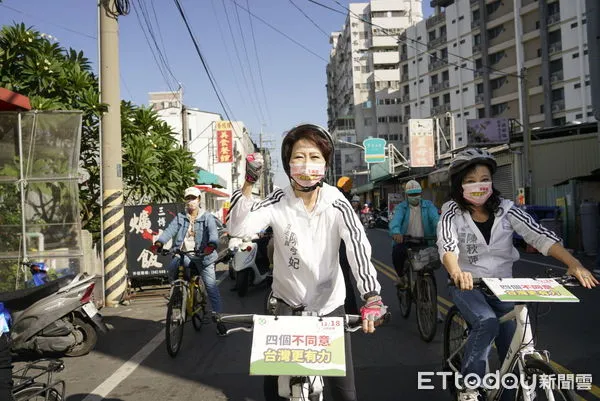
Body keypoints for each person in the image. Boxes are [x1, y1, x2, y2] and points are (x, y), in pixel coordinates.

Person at [227, 124, 387, 401]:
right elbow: (239, 228)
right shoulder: (277, 200)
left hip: (329, 306)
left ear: (325, 164)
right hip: (286, 303)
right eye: (298, 157)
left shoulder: (337, 202)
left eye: (315, 157)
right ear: (288, 163)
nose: (306, 164)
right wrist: (249, 183)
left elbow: (358, 248)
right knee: (274, 392)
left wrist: (371, 296)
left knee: (345, 394)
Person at [437, 148, 598, 401]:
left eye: (483, 178)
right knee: (485, 321)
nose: (478, 185)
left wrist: (573, 263)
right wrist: (457, 271)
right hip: (468, 285)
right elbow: (447, 245)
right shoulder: (451, 211)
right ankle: (469, 386)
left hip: (504, 286)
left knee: (515, 349)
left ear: (491, 180)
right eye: (470, 181)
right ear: (459, 186)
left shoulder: (507, 209)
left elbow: (540, 235)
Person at [151, 186, 223, 315]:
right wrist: (159, 242)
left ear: (199, 199)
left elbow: (213, 233)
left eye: (193, 198)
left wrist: (211, 245)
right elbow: (169, 230)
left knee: (211, 288)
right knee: (172, 268)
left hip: (204, 257)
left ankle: (218, 318)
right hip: (184, 255)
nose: (191, 201)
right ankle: (178, 296)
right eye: (188, 198)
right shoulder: (180, 217)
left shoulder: (207, 217)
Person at [388, 179, 440, 289]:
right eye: (411, 194)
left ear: (420, 194)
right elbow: (395, 221)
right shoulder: (401, 207)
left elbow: (436, 219)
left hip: (426, 240)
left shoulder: (428, 205)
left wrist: (441, 230)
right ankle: (401, 277)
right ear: (407, 195)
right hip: (406, 241)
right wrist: (396, 233)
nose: (414, 196)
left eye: (416, 194)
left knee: (430, 266)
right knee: (397, 253)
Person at [335, 176, 360, 315]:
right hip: (348, 245)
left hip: (337, 246)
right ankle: (351, 311)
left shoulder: (334, 199)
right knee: (345, 279)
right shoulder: (350, 201)